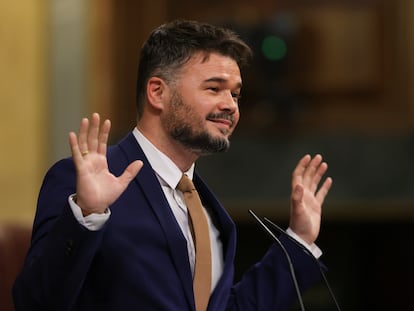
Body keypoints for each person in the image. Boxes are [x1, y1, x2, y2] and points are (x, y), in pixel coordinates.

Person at [13, 19, 332, 311]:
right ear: (157, 92)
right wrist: (86, 216)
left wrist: (299, 239)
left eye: (235, 94)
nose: (230, 106)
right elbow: (34, 302)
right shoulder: (85, 179)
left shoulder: (211, 212)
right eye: (214, 88)